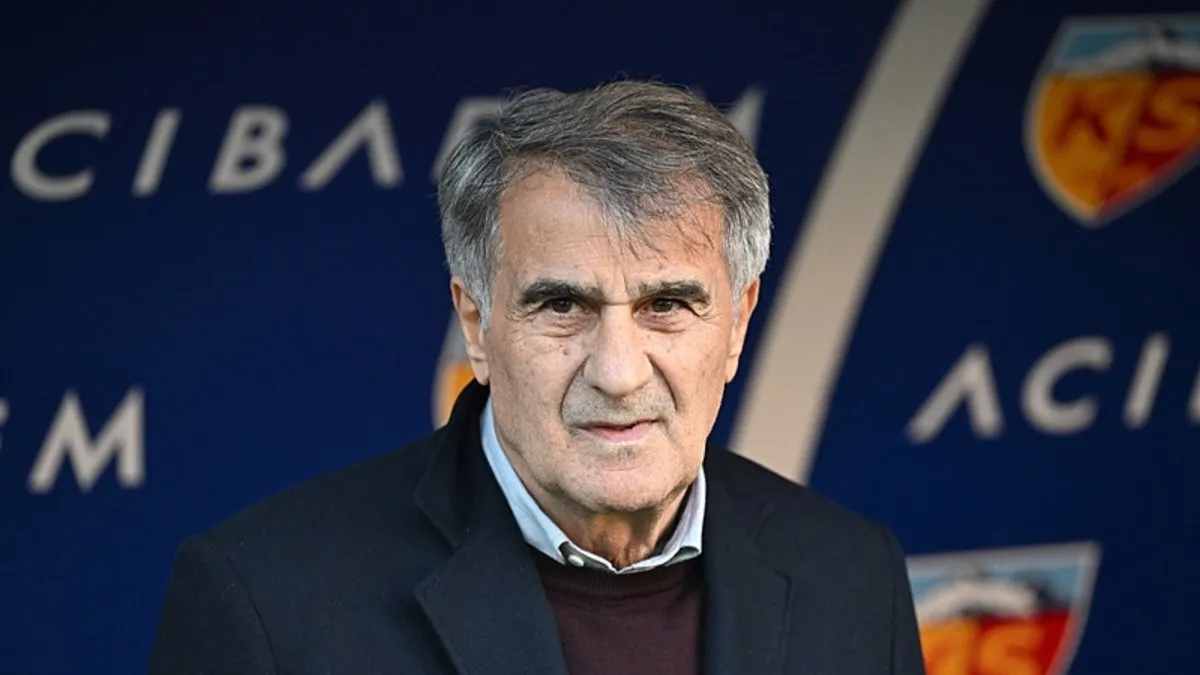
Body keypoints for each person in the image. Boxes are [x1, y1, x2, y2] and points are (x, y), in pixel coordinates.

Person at [148, 80, 926, 675]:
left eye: (665, 305)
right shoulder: (264, 601)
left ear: (738, 323)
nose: (618, 372)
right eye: (562, 305)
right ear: (476, 324)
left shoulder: (853, 575)